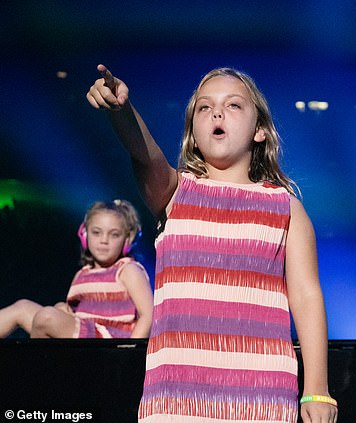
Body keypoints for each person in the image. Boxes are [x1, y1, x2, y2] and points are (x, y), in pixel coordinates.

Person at [87, 64, 337, 423]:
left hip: (262, 401)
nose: (217, 112)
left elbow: (306, 296)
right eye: (204, 107)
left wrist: (317, 389)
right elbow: (145, 155)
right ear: (193, 132)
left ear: (260, 131)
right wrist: (121, 110)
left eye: (233, 105)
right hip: (175, 401)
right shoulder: (175, 192)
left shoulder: (285, 208)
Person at [0, 199, 153, 339]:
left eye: (114, 235)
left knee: (46, 317)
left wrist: (130, 351)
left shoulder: (128, 270)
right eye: (96, 232)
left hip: (109, 342)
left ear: (127, 240)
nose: (104, 240)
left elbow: (148, 315)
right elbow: (75, 314)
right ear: (85, 235)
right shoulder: (83, 273)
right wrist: (63, 310)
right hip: (83, 336)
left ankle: (39, 368)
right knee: (23, 307)